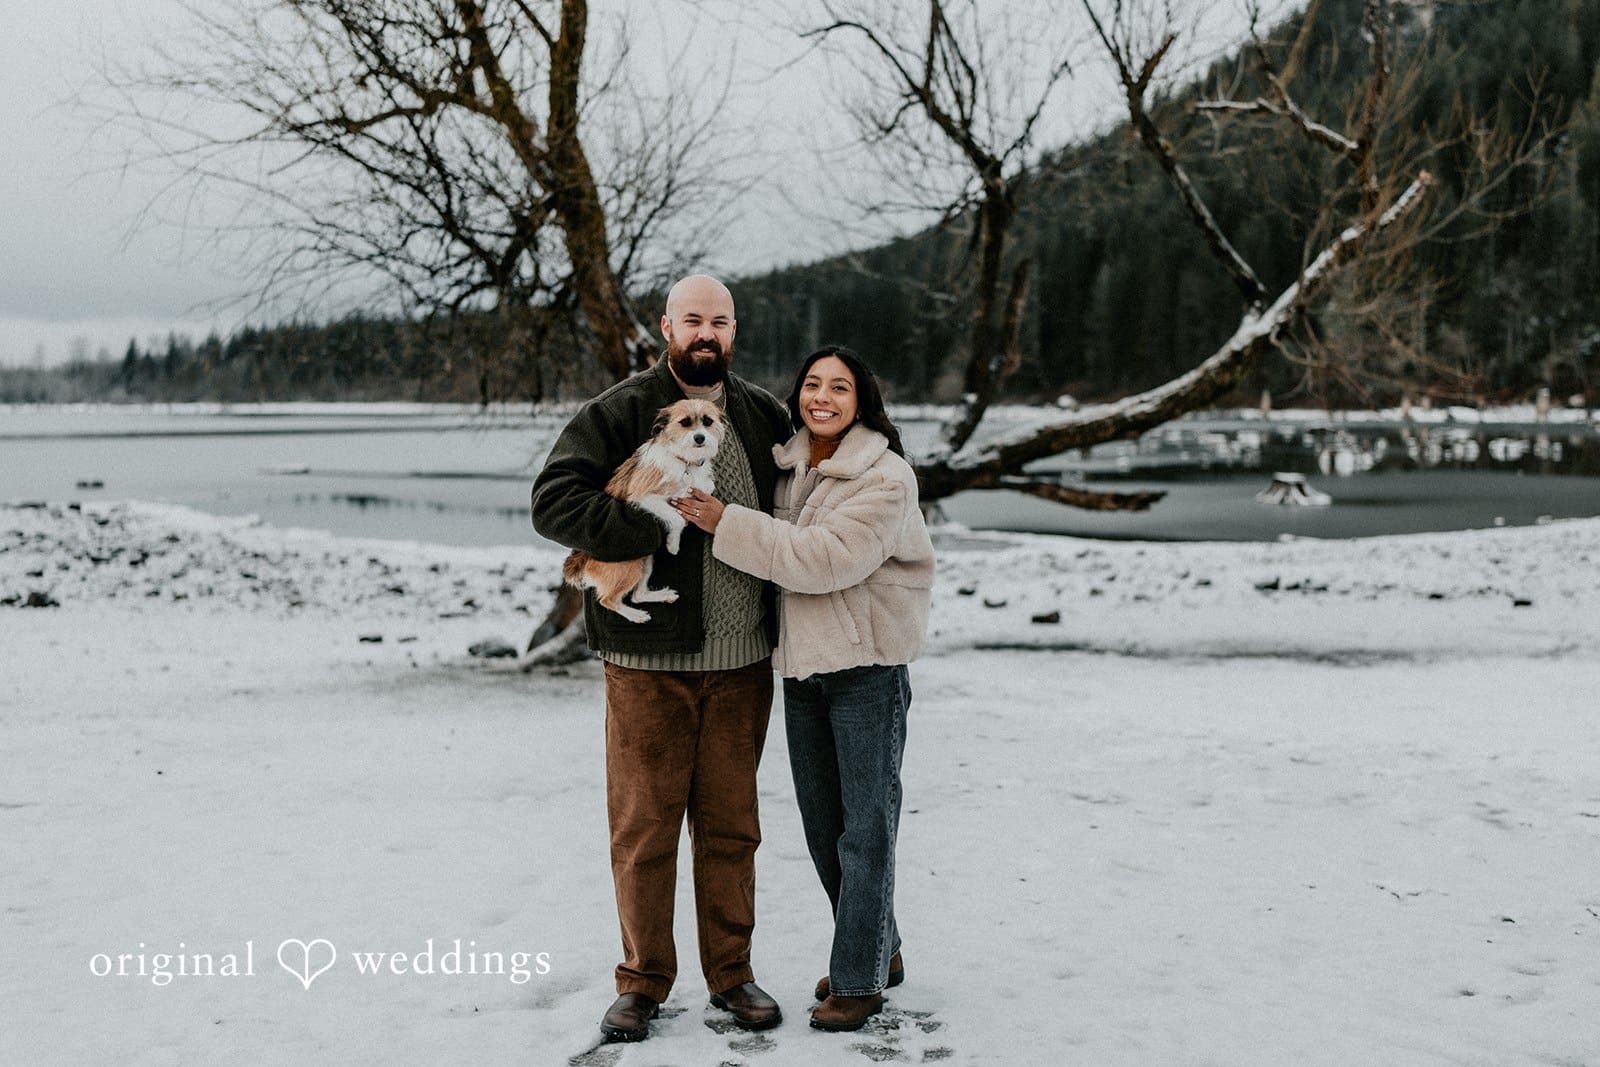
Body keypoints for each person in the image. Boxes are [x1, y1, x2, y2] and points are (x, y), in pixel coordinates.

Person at [530, 274, 793, 1043]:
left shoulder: (760, 412)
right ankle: (643, 981)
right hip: (647, 664)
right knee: (644, 827)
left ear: (733, 331)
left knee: (731, 826)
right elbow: (553, 500)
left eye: (719, 320)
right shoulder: (618, 411)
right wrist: (645, 528)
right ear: (667, 326)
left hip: (743, 660)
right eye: (691, 319)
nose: (705, 332)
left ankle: (732, 973)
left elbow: (813, 489)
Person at [673, 344, 935, 1032]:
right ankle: (884, 948)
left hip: (868, 672)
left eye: (839, 387)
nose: (822, 396)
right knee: (826, 830)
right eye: (812, 384)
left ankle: (859, 978)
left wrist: (723, 521)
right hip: (804, 672)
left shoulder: (885, 477)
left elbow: (822, 561)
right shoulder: (793, 468)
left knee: (866, 831)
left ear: (862, 401)